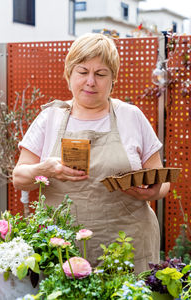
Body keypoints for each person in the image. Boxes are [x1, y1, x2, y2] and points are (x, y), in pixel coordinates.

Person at [13, 33, 170, 274]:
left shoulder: (132, 117)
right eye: (83, 71)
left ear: (112, 79)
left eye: (100, 74)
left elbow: (162, 180)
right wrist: (44, 170)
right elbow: (19, 178)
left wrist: (151, 190)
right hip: (65, 252)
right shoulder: (50, 119)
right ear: (69, 74)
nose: (90, 81)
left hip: (128, 249)